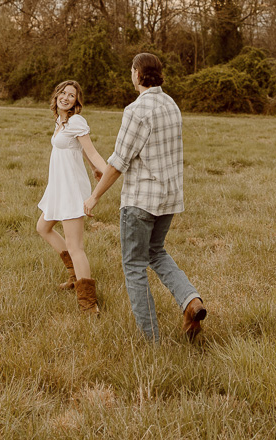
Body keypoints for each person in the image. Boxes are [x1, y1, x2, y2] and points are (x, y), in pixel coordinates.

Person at [83, 53, 207, 342]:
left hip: (141, 201)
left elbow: (119, 162)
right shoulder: (171, 105)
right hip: (169, 199)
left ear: (138, 74)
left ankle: (151, 340)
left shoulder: (137, 110)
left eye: (131, 71)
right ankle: (191, 302)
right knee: (156, 251)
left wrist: (94, 197)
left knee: (134, 265)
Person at [37, 79, 108, 314]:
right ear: (57, 95)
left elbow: (92, 151)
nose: (66, 97)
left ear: (77, 101)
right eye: (63, 93)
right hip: (58, 186)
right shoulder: (61, 120)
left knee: (75, 245)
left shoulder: (76, 121)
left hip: (70, 189)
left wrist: (107, 171)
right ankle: (74, 275)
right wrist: (92, 169)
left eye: (72, 95)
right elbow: (76, 151)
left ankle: (88, 302)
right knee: (43, 228)